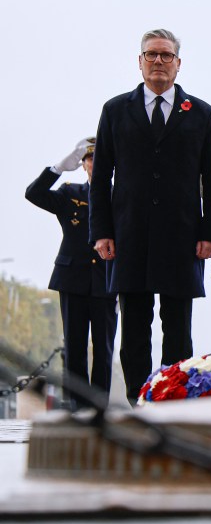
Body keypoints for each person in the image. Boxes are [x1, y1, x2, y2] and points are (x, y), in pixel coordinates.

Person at [89, 29, 211, 406]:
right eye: (151, 55)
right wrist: (101, 231)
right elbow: (101, 176)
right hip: (128, 233)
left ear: (179, 64)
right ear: (140, 61)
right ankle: (138, 401)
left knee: (178, 327)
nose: (159, 62)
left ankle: (175, 399)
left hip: (182, 235)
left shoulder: (200, 113)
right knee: (133, 327)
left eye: (166, 56)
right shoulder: (116, 110)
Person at [25, 138, 117, 409]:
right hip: (72, 277)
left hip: (106, 278)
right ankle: (75, 405)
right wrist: (57, 168)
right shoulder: (70, 192)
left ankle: (99, 407)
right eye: (90, 159)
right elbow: (34, 194)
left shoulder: (121, 196)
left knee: (103, 348)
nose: (94, 164)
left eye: (100, 159)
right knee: (74, 346)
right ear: (83, 164)